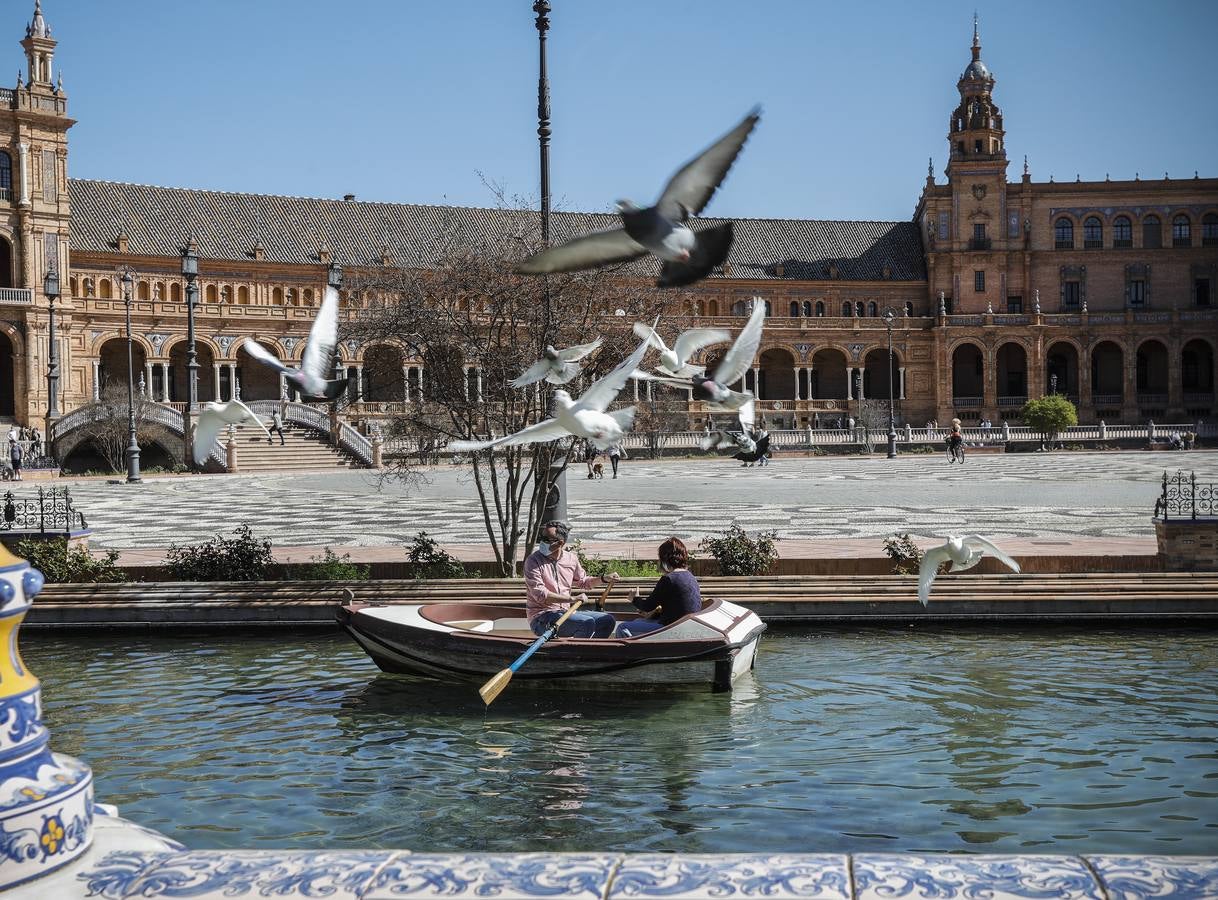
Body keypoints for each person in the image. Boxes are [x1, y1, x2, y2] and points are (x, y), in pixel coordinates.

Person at [524, 519, 618, 638]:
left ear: (560, 543)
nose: (542, 542)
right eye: (541, 538)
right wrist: (572, 599)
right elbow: (541, 595)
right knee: (586, 623)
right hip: (542, 617)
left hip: (565, 613)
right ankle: (578, 654)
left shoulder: (571, 559)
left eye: (547, 540)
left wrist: (604, 579)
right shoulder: (533, 561)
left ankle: (592, 651)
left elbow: (583, 582)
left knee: (607, 621)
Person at [617, 537, 702, 637]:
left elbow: (647, 606)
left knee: (623, 627)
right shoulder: (690, 576)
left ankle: (633, 652)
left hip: (672, 628)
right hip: (687, 625)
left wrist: (634, 599)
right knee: (638, 621)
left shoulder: (669, 579)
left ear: (664, 560)